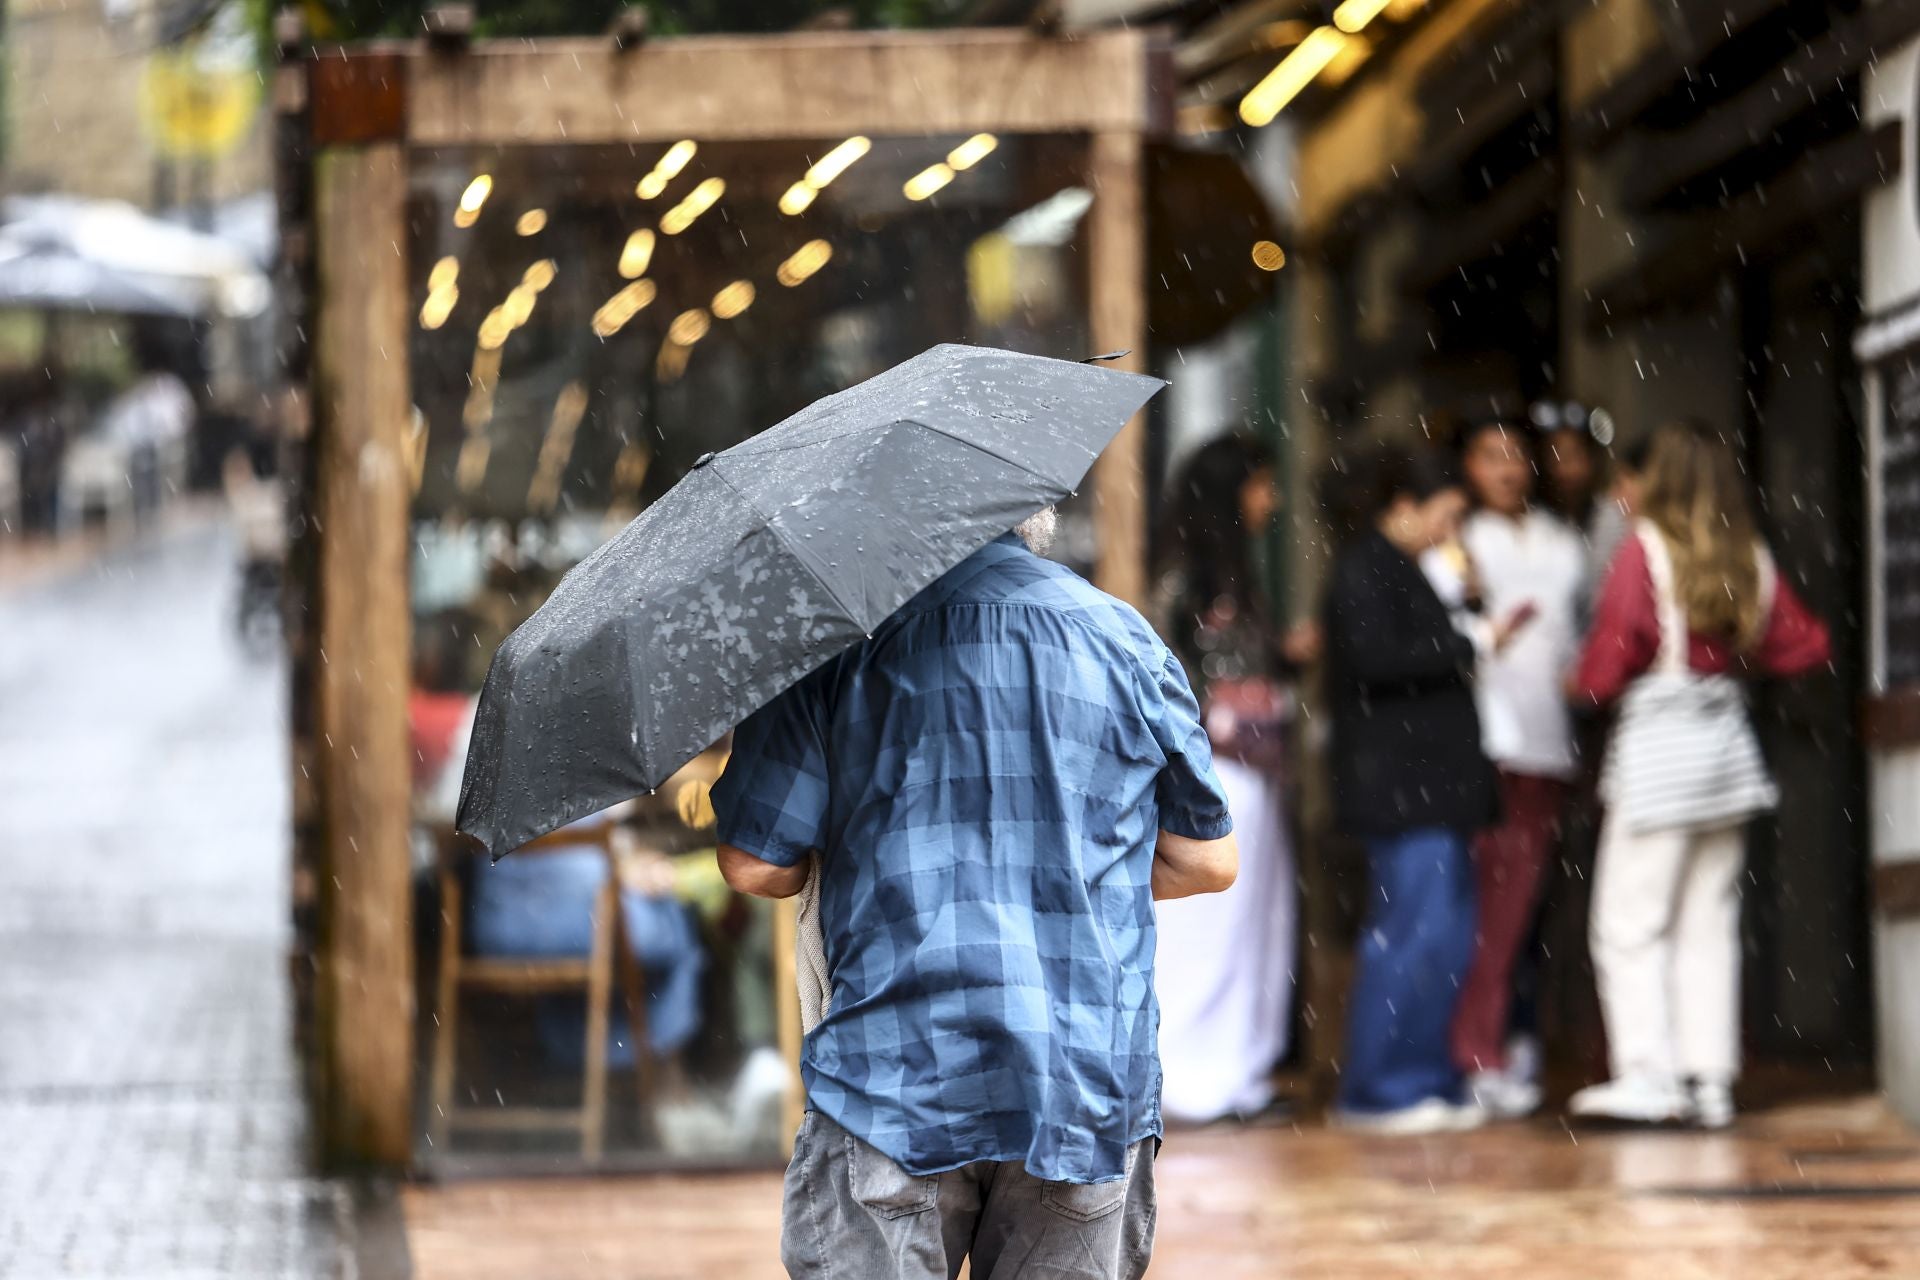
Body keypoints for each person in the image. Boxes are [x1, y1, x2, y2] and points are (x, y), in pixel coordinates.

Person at [711, 508, 1238, 1280]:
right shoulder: (1123, 640)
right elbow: (1208, 860)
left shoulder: (832, 647)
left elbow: (755, 866)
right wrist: (1062, 872)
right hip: (1081, 1071)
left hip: (892, 1072)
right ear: (1036, 517)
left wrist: (856, 850)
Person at [1568, 419, 1830, 1129]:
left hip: (1659, 759)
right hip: (1727, 760)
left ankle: (1649, 1075)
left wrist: (1579, 685)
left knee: (1628, 922)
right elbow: (1806, 643)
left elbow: (1608, 661)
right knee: (1708, 922)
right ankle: (1709, 1077)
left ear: (1660, 479)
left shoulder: (1642, 553)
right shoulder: (1747, 556)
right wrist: (1734, 662)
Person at [1323, 445, 1501, 1134]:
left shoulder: (1409, 569)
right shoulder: (1366, 569)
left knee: (1447, 937)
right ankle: (1378, 1088)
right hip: (1403, 790)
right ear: (1404, 507)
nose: (1450, 529)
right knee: (1410, 935)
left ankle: (1425, 1074)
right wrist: (1466, 643)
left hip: (1433, 789)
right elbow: (1375, 659)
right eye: (1446, 513)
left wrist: (1468, 614)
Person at [1150, 434, 1317, 1124]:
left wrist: (1281, 660)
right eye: (1260, 484)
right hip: (1212, 770)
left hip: (1253, 771)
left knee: (1257, 922)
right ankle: (1192, 1076)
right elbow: (1179, 677)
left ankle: (1240, 1069)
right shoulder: (1186, 579)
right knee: (1212, 924)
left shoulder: (1231, 572)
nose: (1270, 500)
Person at [1442, 418, 1587, 1119]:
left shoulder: (1565, 540)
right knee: (1489, 910)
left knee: (1525, 909)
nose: (1506, 469)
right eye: (1489, 454)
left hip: (1552, 740)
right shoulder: (1459, 540)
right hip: (1490, 741)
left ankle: (1505, 1040)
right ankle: (1477, 1050)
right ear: (1466, 466)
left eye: (1516, 455)